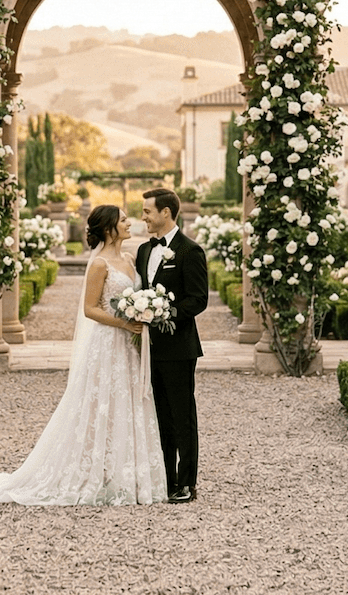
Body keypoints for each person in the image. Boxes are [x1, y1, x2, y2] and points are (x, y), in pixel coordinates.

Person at [0, 205, 166, 505]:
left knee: (125, 401)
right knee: (98, 404)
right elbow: (90, 309)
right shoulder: (100, 264)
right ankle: (90, 471)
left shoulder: (130, 258)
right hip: (107, 343)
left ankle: (122, 473)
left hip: (129, 345)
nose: (130, 223)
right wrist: (123, 321)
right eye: (123, 220)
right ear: (109, 228)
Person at [137, 186, 208, 504]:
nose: (144, 217)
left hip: (178, 347)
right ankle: (164, 478)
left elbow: (198, 299)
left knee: (182, 416)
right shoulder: (142, 250)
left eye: (148, 211)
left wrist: (165, 313)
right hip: (147, 349)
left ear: (166, 212)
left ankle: (186, 482)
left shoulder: (190, 251)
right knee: (159, 416)